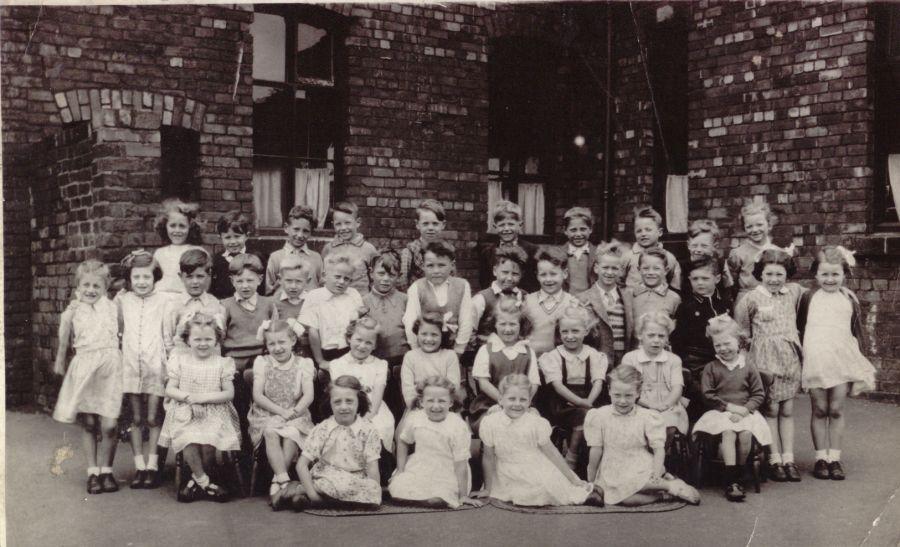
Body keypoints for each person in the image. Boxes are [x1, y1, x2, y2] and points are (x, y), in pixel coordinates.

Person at [798, 246, 876, 481]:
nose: (830, 279)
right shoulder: (808, 298)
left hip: (840, 362)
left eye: (835, 274)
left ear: (844, 274)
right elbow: (800, 328)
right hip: (816, 361)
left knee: (836, 409)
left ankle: (835, 458)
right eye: (824, 274)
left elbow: (855, 332)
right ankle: (821, 457)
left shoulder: (848, 299)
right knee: (820, 409)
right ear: (816, 275)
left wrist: (857, 366)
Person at [474, 374, 602, 507]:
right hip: (504, 471)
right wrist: (487, 488)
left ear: (529, 401)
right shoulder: (490, 423)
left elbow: (552, 453)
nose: (517, 404)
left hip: (533, 466)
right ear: (500, 399)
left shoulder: (535, 423)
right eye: (511, 399)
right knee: (523, 493)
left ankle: (585, 493)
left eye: (523, 400)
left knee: (545, 489)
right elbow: (488, 458)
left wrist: (572, 478)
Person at [52, 260, 123, 494]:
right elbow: (63, 342)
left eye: (97, 286)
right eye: (86, 285)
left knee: (110, 424)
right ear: (78, 287)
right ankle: (93, 472)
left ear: (105, 288)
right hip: (85, 367)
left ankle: (107, 470)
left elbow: (121, 332)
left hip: (110, 368)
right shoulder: (72, 312)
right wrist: (60, 363)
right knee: (90, 422)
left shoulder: (113, 307)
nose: (91, 290)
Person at [585, 365, 700, 506]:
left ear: (638, 393)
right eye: (617, 395)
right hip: (613, 466)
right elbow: (596, 449)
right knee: (620, 499)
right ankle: (663, 494)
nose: (622, 401)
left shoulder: (647, 416)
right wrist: (591, 478)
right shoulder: (600, 415)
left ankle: (668, 485)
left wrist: (657, 474)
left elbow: (658, 449)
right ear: (609, 391)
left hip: (639, 462)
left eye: (628, 395)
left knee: (637, 482)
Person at [735, 248, 804, 482]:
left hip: (789, 359)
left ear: (787, 275)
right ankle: (774, 459)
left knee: (787, 410)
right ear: (760, 274)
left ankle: (789, 459)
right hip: (764, 361)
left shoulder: (793, 294)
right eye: (769, 274)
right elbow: (742, 332)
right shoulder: (751, 298)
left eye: (779, 274)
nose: (774, 279)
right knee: (771, 409)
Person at [159, 312, 241, 503]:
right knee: (187, 437)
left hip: (215, 410)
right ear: (188, 340)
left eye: (208, 339)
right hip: (184, 410)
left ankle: (195, 482)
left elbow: (229, 394)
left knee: (209, 438)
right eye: (197, 339)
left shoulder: (223, 363)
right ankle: (205, 482)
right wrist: (190, 399)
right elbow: (170, 389)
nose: (203, 343)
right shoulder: (180, 361)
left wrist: (201, 399)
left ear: (217, 340)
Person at [693, 315, 771, 501]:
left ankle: (741, 471)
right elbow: (708, 395)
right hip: (721, 411)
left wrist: (745, 410)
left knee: (745, 434)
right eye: (718, 345)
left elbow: (758, 394)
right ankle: (731, 479)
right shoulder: (711, 368)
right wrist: (729, 408)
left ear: (739, 342)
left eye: (727, 343)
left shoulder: (748, 367)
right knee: (728, 432)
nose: (723, 349)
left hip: (745, 411)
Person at [283, 375, 383, 510]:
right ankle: (310, 494)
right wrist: (314, 496)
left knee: (370, 490)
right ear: (329, 403)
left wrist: (375, 492)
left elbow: (372, 466)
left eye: (349, 401)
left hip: (356, 478)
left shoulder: (368, 430)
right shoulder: (323, 429)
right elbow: (301, 465)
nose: (343, 407)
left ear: (359, 401)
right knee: (341, 486)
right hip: (327, 476)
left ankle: (304, 494)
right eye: (337, 402)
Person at [115, 250, 168, 489]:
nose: (142, 282)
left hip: (155, 365)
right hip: (131, 366)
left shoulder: (165, 301)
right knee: (136, 419)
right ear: (129, 278)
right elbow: (117, 331)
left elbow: (167, 334)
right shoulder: (122, 301)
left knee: (153, 417)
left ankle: (153, 466)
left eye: (146, 277)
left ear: (155, 277)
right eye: (136, 277)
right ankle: (140, 466)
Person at [247, 319, 315, 502]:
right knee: (271, 432)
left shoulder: (304, 363)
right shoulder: (262, 362)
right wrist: (280, 412)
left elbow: (308, 395)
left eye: (282, 342)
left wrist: (294, 412)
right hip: (267, 413)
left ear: (292, 341)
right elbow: (258, 395)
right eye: (272, 343)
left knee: (292, 433)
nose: (277, 348)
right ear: (266, 345)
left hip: (296, 413)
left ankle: (277, 481)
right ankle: (284, 481)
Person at [389, 376, 482, 508]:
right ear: (421, 402)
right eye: (430, 401)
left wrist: (463, 496)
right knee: (399, 485)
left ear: (450, 403)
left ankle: (432, 499)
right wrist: (400, 469)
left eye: (442, 401)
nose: (436, 406)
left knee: (441, 491)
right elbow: (403, 441)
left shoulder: (457, 426)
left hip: (448, 469)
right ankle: (416, 498)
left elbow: (460, 463)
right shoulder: (415, 418)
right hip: (420, 465)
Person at [537, 305, 607, 470]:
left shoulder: (594, 355)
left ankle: (597, 462)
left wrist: (589, 401)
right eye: (564, 332)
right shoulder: (553, 356)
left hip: (589, 400)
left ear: (586, 331)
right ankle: (571, 456)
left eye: (575, 331)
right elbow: (558, 386)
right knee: (584, 415)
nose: (569, 336)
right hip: (561, 404)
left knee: (597, 415)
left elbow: (598, 381)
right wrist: (582, 403)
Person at [670, 256, 733, 422]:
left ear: (717, 278)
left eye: (705, 278)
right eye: (695, 279)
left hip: (723, 358)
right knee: (703, 395)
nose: (700, 283)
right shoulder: (686, 306)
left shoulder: (725, 304)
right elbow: (678, 341)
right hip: (696, 361)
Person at [468, 298, 540, 436]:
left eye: (513, 324)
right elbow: (483, 383)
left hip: (521, 404)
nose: (508, 329)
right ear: (495, 325)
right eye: (503, 324)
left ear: (521, 325)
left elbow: (534, 383)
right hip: (491, 403)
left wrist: (522, 403)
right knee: (497, 422)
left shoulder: (528, 352)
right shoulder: (486, 350)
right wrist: (504, 402)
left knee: (531, 424)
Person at [328, 317, 396, 457]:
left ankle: (381, 467)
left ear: (375, 345)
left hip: (374, 409)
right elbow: (342, 395)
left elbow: (377, 397)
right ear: (349, 338)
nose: (362, 346)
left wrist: (367, 419)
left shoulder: (380, 364)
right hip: (347, 408)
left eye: (368, 342)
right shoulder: (337, 364)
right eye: (358, 340)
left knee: (380, 428)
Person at [621, 312, 689, 439]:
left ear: (667, 338)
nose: (656, 340)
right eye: (651, 335)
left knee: (669, 424)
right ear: (640, 335)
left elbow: (677, 388)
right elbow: (627, 388)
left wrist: (665, 405)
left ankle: (660, 457)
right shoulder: (630, 358)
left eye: (661, 336)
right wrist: (650, 406)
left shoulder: (674, 360)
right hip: (638, 404)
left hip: (668, 405)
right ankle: (642, 456)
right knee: (638, 425)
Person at [403, 239, 474, 355]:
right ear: (423, 266)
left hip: (453, 349)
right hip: (425, 348)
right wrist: (416, 351)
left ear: (452, 265)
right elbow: (410, 322)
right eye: (430, 266)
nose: (436, 271)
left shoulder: (462, 285)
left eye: (441, 265)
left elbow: (466, 320)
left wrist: (459, 350)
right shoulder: (417, 288)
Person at [363, 250, 410, 416]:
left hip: (402, 360)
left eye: (391, 274)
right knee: (378, 406)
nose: (385, 279)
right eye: (381, 273)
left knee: (402, 407)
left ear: (398, 276)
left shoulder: (405, 299)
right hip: (376, 361)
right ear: (371, 273)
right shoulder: (363, 302)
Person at [299, 253, 366, 368]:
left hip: (351, 351)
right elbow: (313, 331)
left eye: (346, 279)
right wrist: (320, 361)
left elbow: (358, 324)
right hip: (327, 352)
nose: (341, 282)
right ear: (325, 275)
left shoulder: (353, 294)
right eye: (337, 277)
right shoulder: (314, 296)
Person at [163, 249, 225, 358]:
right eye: (189, 276)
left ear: (209, 275)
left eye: (200, 276)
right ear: (181, 277)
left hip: (210, 363)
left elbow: (220, 338)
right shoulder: (174, 305)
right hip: (182, 364)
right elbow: (168, 339)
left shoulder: (215, 304)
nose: (195, 282)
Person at [523, 246, 582, 357]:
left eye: (553, 274)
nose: (548, 279)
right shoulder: (527, 301)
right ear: (537, 276)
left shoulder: (572, 303)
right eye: (543, 275)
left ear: (565, 274)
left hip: (560, 364)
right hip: (531, 363)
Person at [577, 240, 626, 367]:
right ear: (596, 268)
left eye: (614, 268)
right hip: (596, 359)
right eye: (605, 267)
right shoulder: (582, 298)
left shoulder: (627, 297)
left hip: (623, 360)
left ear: (620, 270)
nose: (609, 272)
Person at [400, 311, 462, 410]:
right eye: (424, 334)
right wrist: (419, 407)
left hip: (445, 408)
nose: (428, 339)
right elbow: (408, 390)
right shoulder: (410, 357)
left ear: (442, 335)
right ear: (417, 334)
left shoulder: (450, 356)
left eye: (434, 335)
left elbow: (453, 387)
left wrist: (441, 407)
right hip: (418, 408)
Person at [622, 248, 681, 348]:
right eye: (646, 268)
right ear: (639, 269)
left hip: (661, 352)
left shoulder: (674, 298)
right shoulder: (628, 295)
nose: (650, 272)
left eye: (656, 268)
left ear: (666, 270)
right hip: (633, 352)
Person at [727, 199, 781, 304]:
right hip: (746, 300)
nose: (755, 230)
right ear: (744, 228)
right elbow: (731, 283)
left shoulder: (777, 252)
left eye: (759, 225)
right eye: (749, 226)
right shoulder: (738, 253)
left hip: (771, 299)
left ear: (769, 225)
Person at [478, 200, 539, 292]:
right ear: (495, 226)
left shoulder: (532, 250)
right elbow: (485, 282)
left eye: (511, 224)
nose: (506, 229)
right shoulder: (488, 252)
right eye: (502, 225)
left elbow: (535, 282)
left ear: (520, 225)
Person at [321, 201, 379, 296]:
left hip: (359, 301)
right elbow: (323, 277)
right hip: (333, 301)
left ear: (358, 222)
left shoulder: (368, 249)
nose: (343, 228)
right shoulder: (328, 249)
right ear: (333, 224)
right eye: (338, 224)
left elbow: (375, 278)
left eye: (347, 223)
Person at [265, 205, 323, 295]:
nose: (300, 235)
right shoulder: (276, 257)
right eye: (296, 229)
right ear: (286, 228)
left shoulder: (316, 258)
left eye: (306, 231)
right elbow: (269, 291)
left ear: (311, 232)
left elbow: (322, 287)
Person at [152, 198, 206, 296]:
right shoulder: (159, 253)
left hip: (186, 299)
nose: (177, 230)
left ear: (190, 227)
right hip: (161, 300)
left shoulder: (197, 251)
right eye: (172, 226)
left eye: (182, 226)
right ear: (165, 226)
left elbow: (205, 283)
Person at [621, 205, 681, 291]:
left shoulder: (668, 257)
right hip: (633, 302)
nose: (643, 234)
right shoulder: (627, 257)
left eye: (648, 230)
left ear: (659, 232)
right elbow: (618, 282)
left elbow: (675, 285)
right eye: (639, 231)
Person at [211, 210, 266, 299]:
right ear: (220, 237)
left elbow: (263, 287)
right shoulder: (216, 260)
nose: (233, 242)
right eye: (227, 237)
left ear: (246, 236)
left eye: (237, 236)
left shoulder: (257, 257)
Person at [399, 199, 447, 290]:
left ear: (443, 225)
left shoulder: (447, 252)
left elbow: (452, 280)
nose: (430, 228)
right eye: (425, 224)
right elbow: (402, 283)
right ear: (417, 224)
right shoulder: (409, 252)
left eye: (435, 224)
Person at [271, 256, 313, 358]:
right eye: (289, 281)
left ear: (307, 281)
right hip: (282, 349)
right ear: (280, 280)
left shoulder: (312, 300)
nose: (293, 286)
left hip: (308, 348)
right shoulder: (274, 302)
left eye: (298, 281)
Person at [559, 206, 596, 295]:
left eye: (583, 229)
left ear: (590, 229)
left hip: (590, 302)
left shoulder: (598, 253)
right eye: (573, 230)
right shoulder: (558, 254)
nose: (578, 234)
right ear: (565, 231)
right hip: (566, 302)